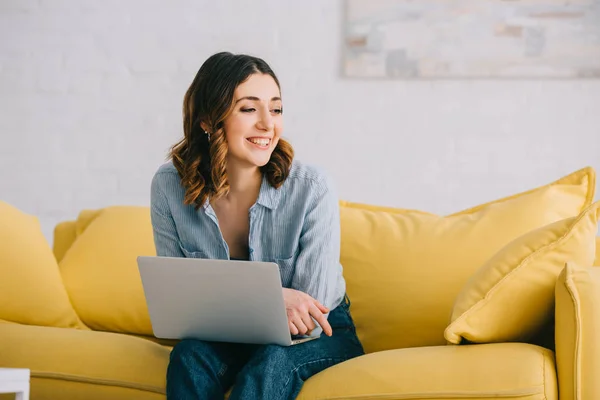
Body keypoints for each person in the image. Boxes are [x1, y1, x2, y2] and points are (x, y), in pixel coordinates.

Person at [150, 51, 365, 400]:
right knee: (189, 357)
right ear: (207, 119)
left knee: (271, 363)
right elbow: (181, 306)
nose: (268, 124)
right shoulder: (169, 186)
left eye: (276, 109)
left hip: (322, 333)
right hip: (228, 333)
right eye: (249, 109)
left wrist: (226, 298)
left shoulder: (312, 188)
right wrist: (275, 298)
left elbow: (309, 317)